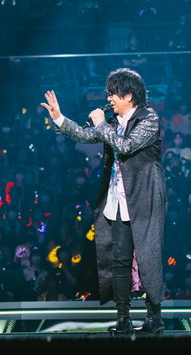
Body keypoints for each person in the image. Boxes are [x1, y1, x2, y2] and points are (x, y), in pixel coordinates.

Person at [41, 68, 166, 335]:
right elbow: (86, 135)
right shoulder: (113, 121)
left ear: (129, 95)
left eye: (113, 94)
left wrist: (101, 124)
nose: (109, 98)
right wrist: (60, 118)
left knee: (148, 257)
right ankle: (123, 319)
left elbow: (126, 146)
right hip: (117, 201)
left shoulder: (148, 118)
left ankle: (154, 318)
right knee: (119, 260)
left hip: (144, 199)